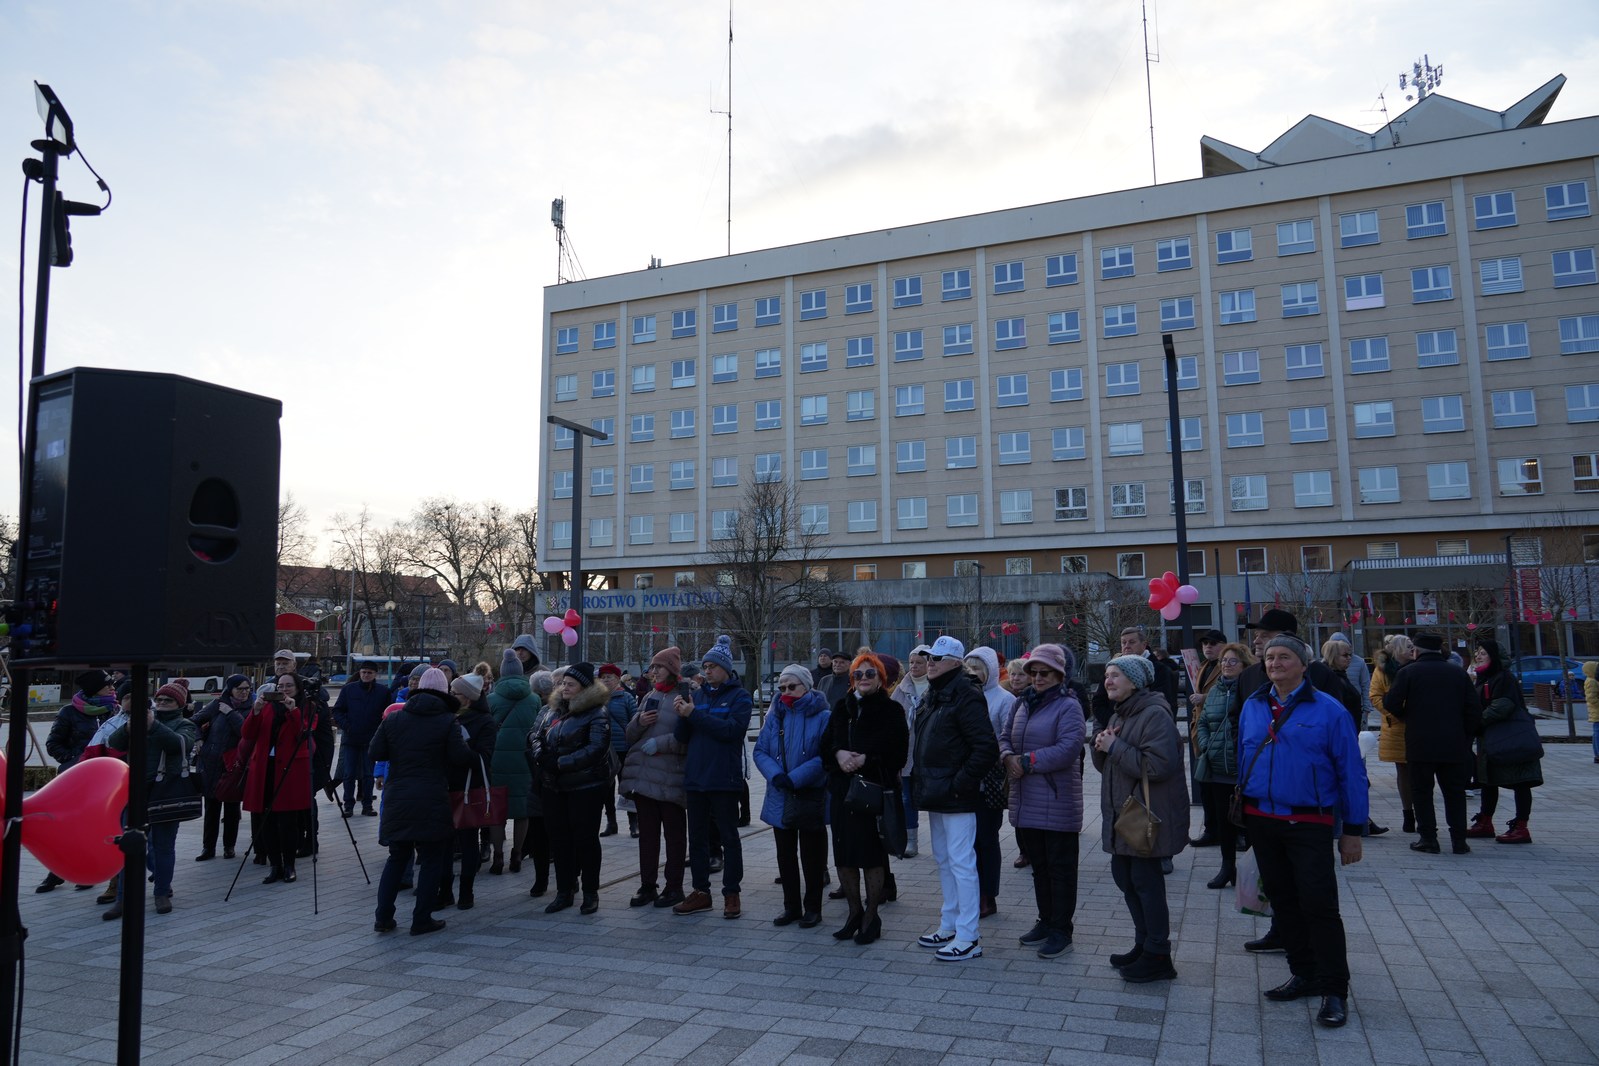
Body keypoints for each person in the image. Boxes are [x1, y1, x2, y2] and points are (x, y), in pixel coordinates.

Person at [1238, 635, 1367, 1029]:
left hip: (1309, 820)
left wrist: (1353, 830)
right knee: (1284, 902)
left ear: (1303, 664)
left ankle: (1334, 989)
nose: (1275, 663)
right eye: (1270, 657)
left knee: (1319, 906)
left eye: (1284, 657)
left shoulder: (1329, 710)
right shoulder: (1253, 705)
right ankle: (1304, 972)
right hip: (1262, 819)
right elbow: (1245, 754)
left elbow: (1351, 772)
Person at [1090, 655, 1188, 983]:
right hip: (1124, 814)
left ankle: (1159, 954)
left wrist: (1114, 746)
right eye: (1106, 675)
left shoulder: (1154, 714)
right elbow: (1108, 766)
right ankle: (1143, 944)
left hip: (1146, 814)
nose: (1108, 681)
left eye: (1116, 675)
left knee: (1146, 884)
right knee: (1126, 879)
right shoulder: (1122, 713)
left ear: (1135, 681)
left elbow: (1159, 766)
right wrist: (1101, 746)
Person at [911, 635, 997, 962]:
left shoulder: (966, 694)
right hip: (936, 791)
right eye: (928, 657)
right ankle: (949, 923)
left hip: (955, 794)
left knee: (962, 863)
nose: (929, 663)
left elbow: (984, 748)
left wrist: (958, 784)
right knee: (945, 861)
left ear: (955, 662)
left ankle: (968, 935)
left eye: (936, 658)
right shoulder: (935, 693)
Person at [369, 666, 470, 935]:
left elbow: (375, 751)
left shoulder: (394, 718)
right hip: (432, 796)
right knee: (431, 859)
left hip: (398, 796)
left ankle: (383, 917)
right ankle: (421, 918)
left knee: (396, 857)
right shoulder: (448, 720)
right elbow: (460, 757)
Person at [1001, 643, 1085, 960]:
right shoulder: (1021, 704)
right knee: (1040, 869)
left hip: (1057, 798)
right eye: (1032, 672)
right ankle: (1045, 920)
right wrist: (1007, 757)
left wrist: (1027, 761)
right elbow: (1004, 736)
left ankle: (1061, 929)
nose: (1037, 678)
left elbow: (1068, 747)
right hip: (1026, 799)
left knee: (1061, 869)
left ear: (1059, 674)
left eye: (1044, 672)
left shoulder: (1068, 706)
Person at [820, 654, 907, 944]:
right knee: (844, 855)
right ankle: (853, 912)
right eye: (859, 674)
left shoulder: (891, 710)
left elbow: (898, 755)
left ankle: (871, 915)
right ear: (852, 679)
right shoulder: (841, 707)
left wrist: (867, 759)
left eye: (871, 674)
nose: (865, 678)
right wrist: (839, 754)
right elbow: (825, 745)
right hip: (843, 792)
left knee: (871, 855)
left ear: (881, 679)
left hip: (871, 793)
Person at [102, 683, 199, 918]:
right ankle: (123, 898)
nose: (162, 704)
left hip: (165, 791)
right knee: (128, 845)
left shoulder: (184, 723)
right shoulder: (141, 719)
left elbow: (180, 744)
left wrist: (153, 726)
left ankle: (161, 892)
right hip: (134, 791)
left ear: (180, 704)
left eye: (169, 701)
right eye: (160, 700)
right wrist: (128, 727)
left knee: (163, 846)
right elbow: (114, 743)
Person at [672, 636, 752, 919]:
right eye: (705, 666)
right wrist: (682, 715)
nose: (707, 671)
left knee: (729, 838)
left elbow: (731, 732)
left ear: (726, 669)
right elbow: (683, 737)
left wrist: (695, 715)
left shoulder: (740, 697)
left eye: (713, 666)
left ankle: (732, 893)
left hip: (723, 778)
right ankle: (701, 892)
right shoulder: (699, 695)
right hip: (696, 778)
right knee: (698, 839)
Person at [755, 664, 832, 930]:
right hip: (780, 793)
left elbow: (826, 756)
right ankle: (791, 907)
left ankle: (813, 908)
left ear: (806, 687)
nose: (786, 691)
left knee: (812, 857)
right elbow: (760, 750)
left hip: (809, 794)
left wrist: (796, 778)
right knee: (785, 856)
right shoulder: (775, 714)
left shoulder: (823, 716)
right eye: (782, 687)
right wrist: (776, 775)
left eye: (792, 686)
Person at [534, 661, 613, 915]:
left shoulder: (596, 713)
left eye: (571, 684)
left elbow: (596, 748)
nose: (564, 687)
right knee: (559, 840)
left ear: (584, 688)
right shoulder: (551, 710)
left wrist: (561, 763)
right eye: (563, 683)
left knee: (585, 840)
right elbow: (534, 735)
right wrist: (541, 757)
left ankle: (590, 892)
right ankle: (564, 890)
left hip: (585, 786)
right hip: (553, 786)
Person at [620, 646, 691, 909]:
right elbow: (630, 735)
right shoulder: (649, 696)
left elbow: (689, 737)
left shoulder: (684, 696)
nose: (653, 672)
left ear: (671, 670)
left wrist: (662, 743)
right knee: (648, 836)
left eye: (658, 667)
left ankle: (674, 887)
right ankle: (648, 885)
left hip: (671, 777)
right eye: (652, 667)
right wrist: (640, 722)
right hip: (643, 779)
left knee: (674, 836)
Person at [38, 669, 117, 892]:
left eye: (112, 684)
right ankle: (56, 873)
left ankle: (88, 873)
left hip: (105, 782)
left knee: (97, 828)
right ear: (93, 689)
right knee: (67, 827)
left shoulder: (115, 711)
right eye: (107, 685)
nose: (112, 688)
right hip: (76, 779)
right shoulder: (69, 712)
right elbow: (53, 744)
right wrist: (74, 761)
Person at [238, 674, 315, 886]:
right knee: (267, 821)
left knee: (287, 822)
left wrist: (293, 710)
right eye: (281, 686)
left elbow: (305, 732)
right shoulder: (268, 707)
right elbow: (247, 733)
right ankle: (275, 866)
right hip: (264, 768)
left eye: (289, 685)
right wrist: (255, 711)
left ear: (297, 688)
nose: (284, 689)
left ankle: (289, 865)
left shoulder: (306, 706)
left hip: (289, 769)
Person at [1465, 640, 1543, 844]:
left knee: (1521, 782)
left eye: (1483, 653)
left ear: (1495, 656)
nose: (1479, 656)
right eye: (1477, 653)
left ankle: (1521, 827)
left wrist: (1475, 722)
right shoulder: (1484, 678)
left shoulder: (1503, 678)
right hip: (1491, 739)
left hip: (1512, 740)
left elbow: (1502, 706)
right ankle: (1485, 821)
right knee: (1487, 781)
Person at [437, 673, 498, 909]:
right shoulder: (447, 717)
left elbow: (484, 757)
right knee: (444, 843)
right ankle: (444, 891)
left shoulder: (484, 721)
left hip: (469, 789)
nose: (450, 697)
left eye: (455, 693)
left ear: (469, 698)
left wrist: (459, 746)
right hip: (445, 786)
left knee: (468, 842)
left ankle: (466, 891)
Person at [1195, 643, 1252, 889]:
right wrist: (1207, 745)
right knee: (1224, 822)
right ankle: (1227, 867)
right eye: (1223, 661)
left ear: (1244, 666)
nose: (1225, 666)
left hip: (1244, 768)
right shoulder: (1216, 690)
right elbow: (1204, 720)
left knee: (1249, 822)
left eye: (1232, 661)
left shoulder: (1252, 690)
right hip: (1218, 767)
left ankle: (1252, 871)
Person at [962, 646, 1013, 919]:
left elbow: (1009, 738)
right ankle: (969, 893)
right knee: (965, 843)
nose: (973, 673)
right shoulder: (961, 696)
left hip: (989, 782)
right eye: (968, 668)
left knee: (986, 840)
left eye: (978, 668)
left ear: (991, 670)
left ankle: (987, 896)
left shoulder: (1004, 699)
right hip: (964, 782)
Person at [488, 649, 539, 875]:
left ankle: (497, 856)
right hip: (524, 760)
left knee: (497, 812)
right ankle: (517, 854)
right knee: (522, 812)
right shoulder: (534, 698)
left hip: (497, 761)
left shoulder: (491, 699)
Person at [193, 674, 251, 861]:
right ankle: (207, 848)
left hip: (233, 764)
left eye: (247, 689)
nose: (244, 692)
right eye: (239, 689)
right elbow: (194, 721)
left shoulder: (250, 708)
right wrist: (198, 738)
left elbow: (245, 731)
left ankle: (229, 847)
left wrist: (230, 712)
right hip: (210, 762)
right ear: (230, 689)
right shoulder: (217, 704)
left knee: (232, 808)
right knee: (211, 807)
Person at [890, 644, 932, 859]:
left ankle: (942, 841)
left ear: (928, 664)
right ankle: (911, 841)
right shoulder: (902, 687)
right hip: (906, 753)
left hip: (930, 753)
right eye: (912, 662)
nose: (914, 666)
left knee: (934, 798)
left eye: (919, 662)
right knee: (906, 798)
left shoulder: (936, 687)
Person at [1371, 635, 1416, 832]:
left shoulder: (1418, 667)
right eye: (1408, 646)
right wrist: (1395, 712)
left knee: (1421, 771)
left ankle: (1422, 813)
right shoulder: (1382, 670)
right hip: (1396, 725)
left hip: (1418, 725)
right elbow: (1375, 696)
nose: (1412, 649)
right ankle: (1408, 814)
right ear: (1398, 649)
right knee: (1403, 771)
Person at [333, 663, 389, 817]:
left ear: (375, 674)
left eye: (369, 673)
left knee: (368, 774)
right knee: (349, 774)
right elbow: (338, 710)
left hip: (371, 739)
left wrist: (379, 730)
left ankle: (367, 805)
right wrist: (347, 726)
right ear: (360, 673)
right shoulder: (349, 689)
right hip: (351, 738)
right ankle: (348, 805)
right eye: (363, 672)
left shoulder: (382, 692)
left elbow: (387, 714)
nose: (366, 675)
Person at [523, 669, 557, 897]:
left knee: (561, 834)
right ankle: (541, 878)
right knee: (538, 831)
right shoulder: (544, 710)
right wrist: (538, 748)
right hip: (539, 779)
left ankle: (570, 879)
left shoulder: (583, 713)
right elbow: (532, 735)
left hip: (563, 781)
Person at [598, 664, 637, 838]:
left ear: (617, 678)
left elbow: (635, 722)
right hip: (604, 749)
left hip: (623, 749)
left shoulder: (626, 697)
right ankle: (611, 822)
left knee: (627, 786)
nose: (606, 680)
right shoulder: (596, 698)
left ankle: (633, 823)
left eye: (610, 677)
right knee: (607, 788)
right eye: (603, 677)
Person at [1330, 631, 1374, 729]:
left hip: (1357, 707)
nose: (1347, 659)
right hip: (1337, 708)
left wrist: (1366, 708)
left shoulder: (1359, 662)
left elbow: (1366, 685)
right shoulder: (1326, 665)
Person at [1586, 661, 1599, 765]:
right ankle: (1598, 754)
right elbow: (1592, 698)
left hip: (1596, 711)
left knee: (1597, 733)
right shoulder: (1592, 681)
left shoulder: (1592, 680)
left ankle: (1597, 755)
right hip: (1597, 711)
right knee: (1597, 733)